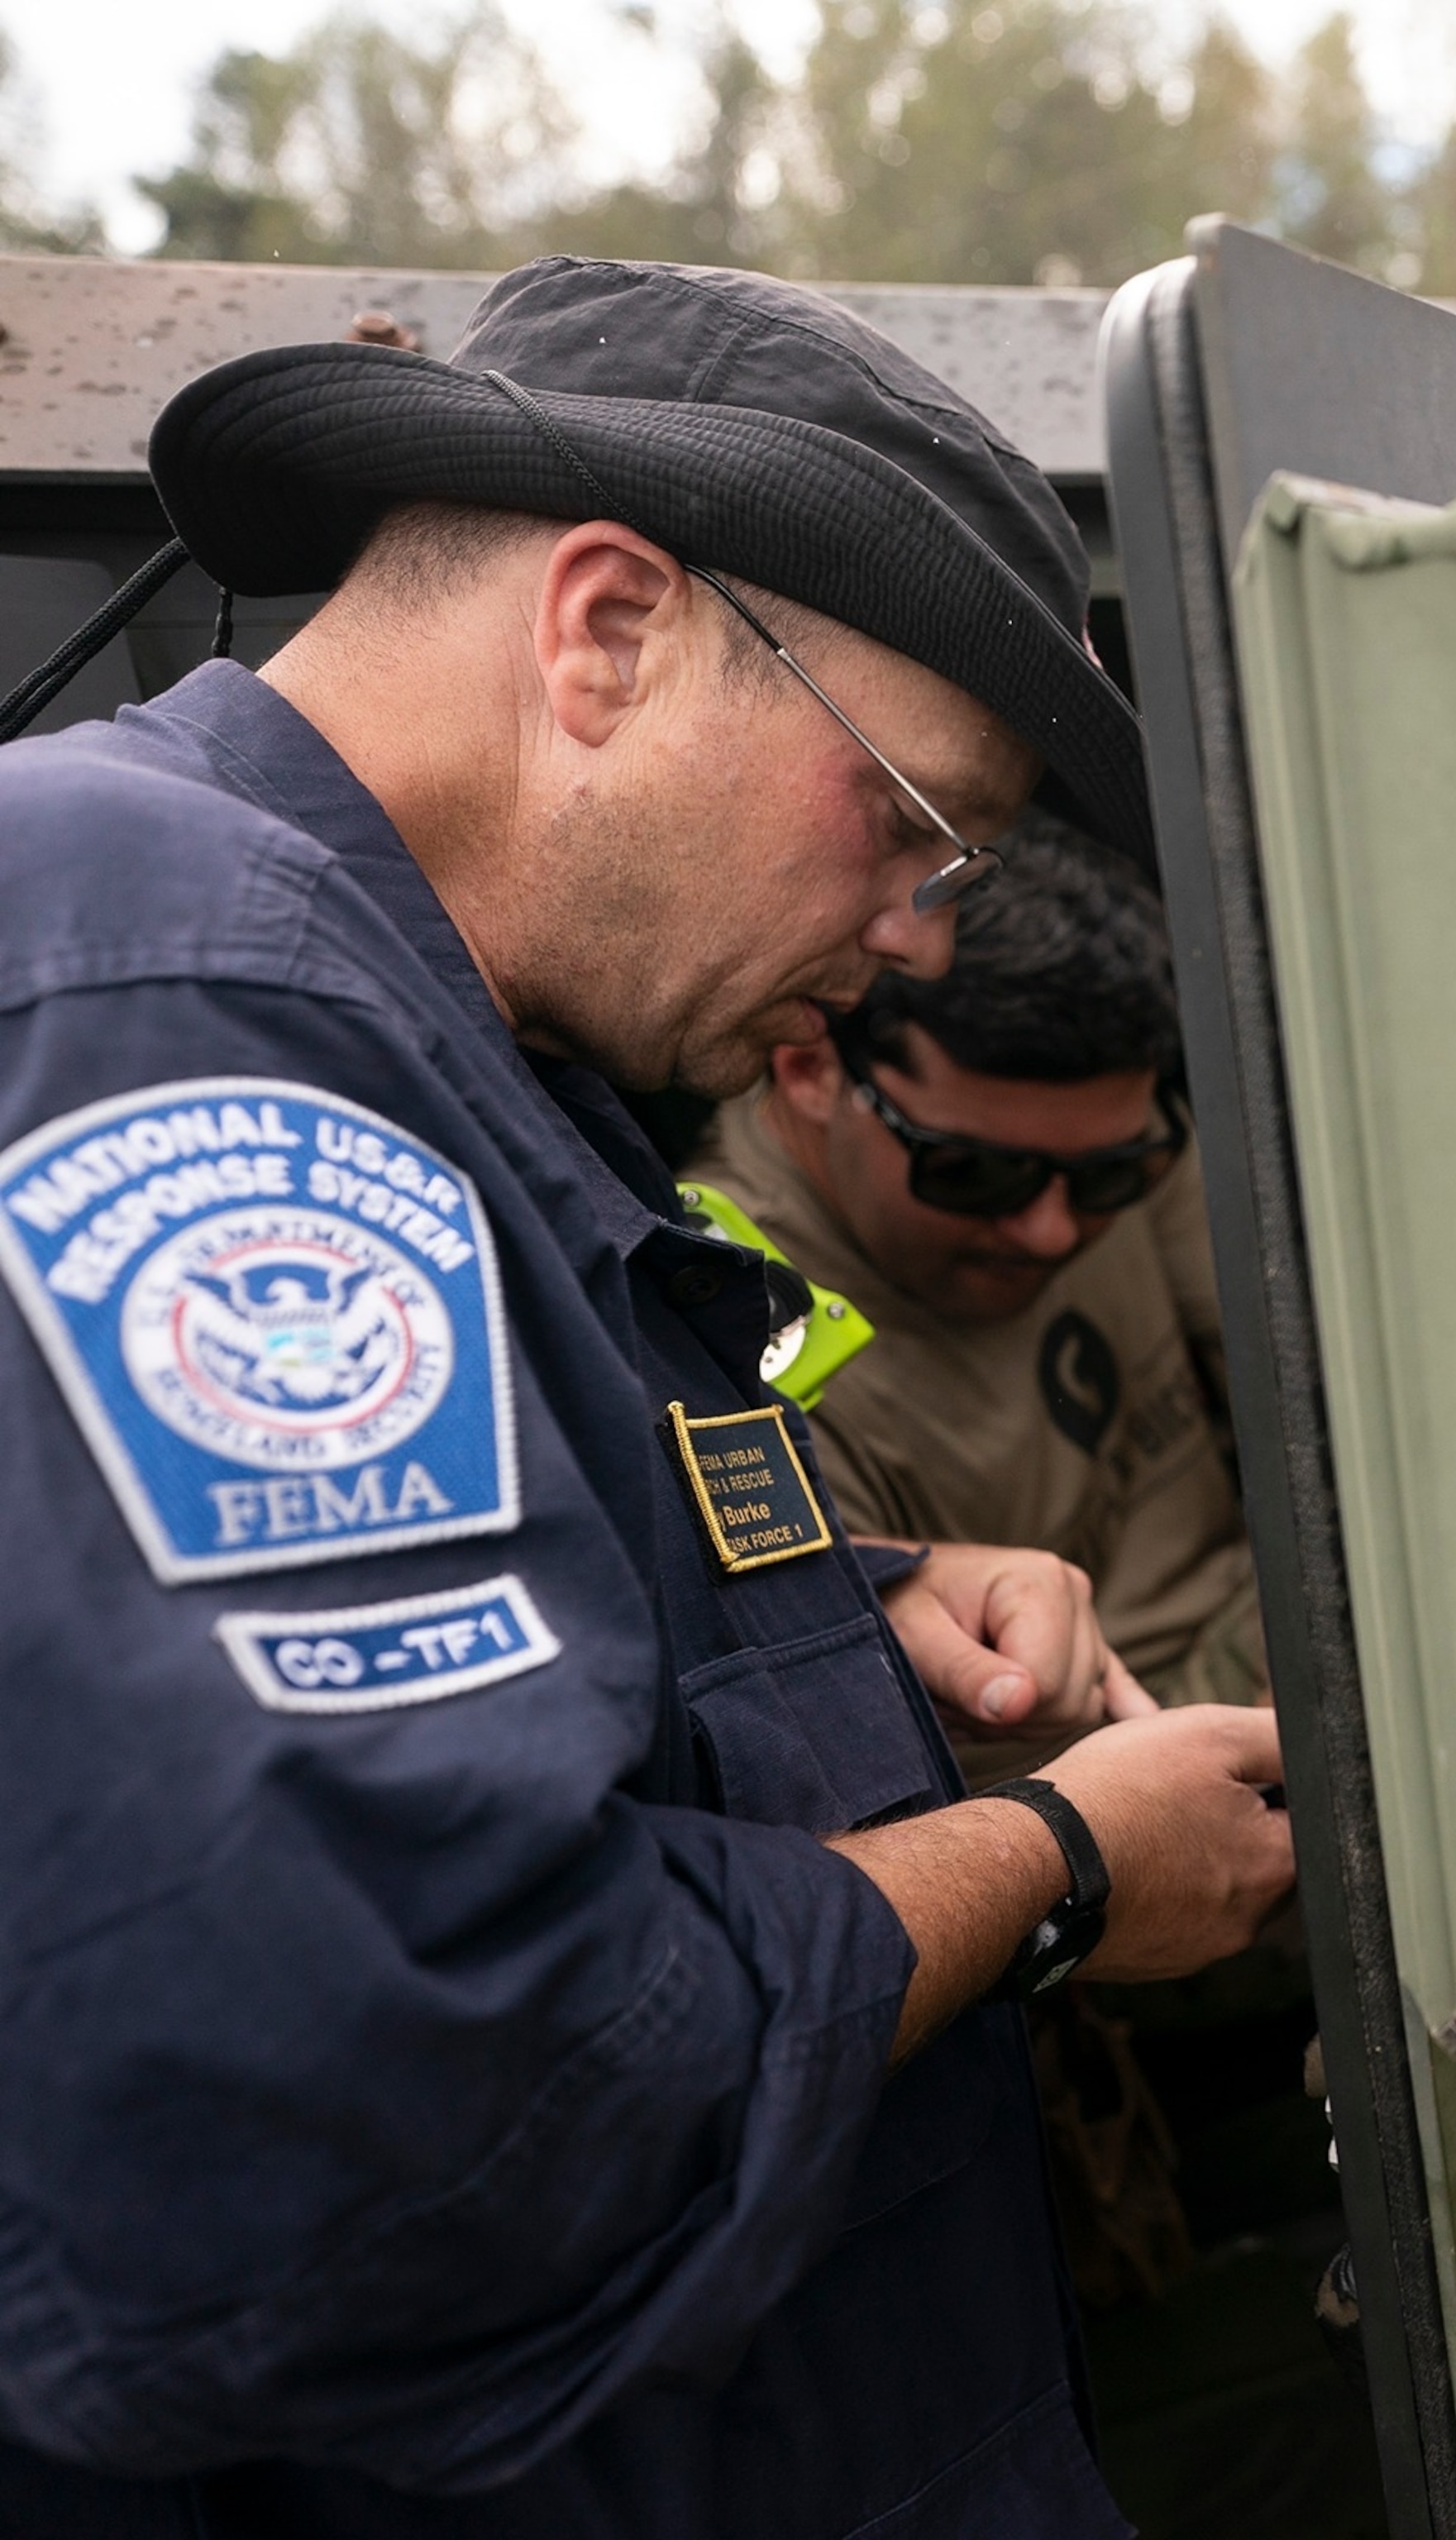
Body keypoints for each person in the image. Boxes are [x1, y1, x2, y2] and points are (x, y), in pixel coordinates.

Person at [0, 256, 1294, 2539]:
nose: (916, 929)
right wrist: (1067, 1864)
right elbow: (421, 2090)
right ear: (604, 633)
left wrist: (835, 1608)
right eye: (911, 817)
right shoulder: (187, 1017)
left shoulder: (436, 1022)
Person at [690, 819, 1269, 1786]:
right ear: (810, 1070)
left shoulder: (1106, 1146)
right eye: (977, 1175)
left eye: (1108, 1178)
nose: (1050, 1229)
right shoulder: (730, 1340)